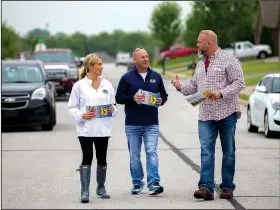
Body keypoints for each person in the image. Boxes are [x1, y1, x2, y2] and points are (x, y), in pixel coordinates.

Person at [171, 30, 245, 200]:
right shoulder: (199, 64)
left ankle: (227, 186)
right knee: (206, 151)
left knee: (229, 152)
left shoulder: (229, 59)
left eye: (199, 42)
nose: (197, 45)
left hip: (226, 113)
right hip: (205, 115)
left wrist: (222, 93)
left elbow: (240, 82)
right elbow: (193, 88)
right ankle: (206, 187)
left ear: (209, 43)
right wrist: (179, 86)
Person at [115, 48, 168, 195]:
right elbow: (118, 98)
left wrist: (161, 99)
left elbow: (164, 94)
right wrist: (132, 98)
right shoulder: (127, 77)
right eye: (142, 57)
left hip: (151, 123)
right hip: (132, 124)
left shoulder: (156, 76)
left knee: (151, 151)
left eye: (147, 56)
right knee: (134, 155)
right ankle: (137, 183)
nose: (146, 59)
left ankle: (154, 183)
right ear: (135, 60)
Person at [67, 53, 118, 203]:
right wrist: (82, 115)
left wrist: (111, 110)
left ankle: (101, 188)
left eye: (102, 64)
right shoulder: (79, 86)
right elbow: (71, 107)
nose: (102, 67)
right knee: (87, 157)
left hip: (103, 129)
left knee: (102, 158)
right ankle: (84, 191)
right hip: (86, 130)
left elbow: (114, 106)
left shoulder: (107, 85)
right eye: (99, 65)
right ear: (90, 67)